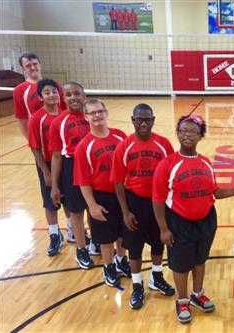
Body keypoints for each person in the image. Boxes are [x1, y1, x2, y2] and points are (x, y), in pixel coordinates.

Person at [152, 114, 234, 324]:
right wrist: (163, 228)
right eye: (183, 130)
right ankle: (182, 300)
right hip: (178, 222)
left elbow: (213, 191)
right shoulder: (168, 165)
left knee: (200, 261)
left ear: (200, 136)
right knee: (181, 265)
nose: (187, 135)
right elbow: (157, 199)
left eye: (193, 131)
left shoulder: (205, 162)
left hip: (206, 221)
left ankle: (197, 294)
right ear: (177, 133)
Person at [111, 104, 175, 309]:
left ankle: (156, 277)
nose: (144, 123)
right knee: (135, 248)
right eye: (139, 119)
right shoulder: (124, 147)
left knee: (158, 243)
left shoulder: (164, 145)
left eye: (148, 119)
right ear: (133, 120)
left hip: (158, 202)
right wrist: (125, 211)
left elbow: (170, 176)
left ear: (153, 120)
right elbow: (118, 181)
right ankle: (138, 285)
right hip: (135, 202)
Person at [74, 98, 130, 287]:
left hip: (122, 194)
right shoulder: (84, 146)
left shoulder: (120, 136)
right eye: (92, 113)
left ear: (106, 113)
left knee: (123, 233)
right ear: (86, 117)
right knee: (106, 239)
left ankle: (122, 261)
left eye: (99, 111)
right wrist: (92, 206)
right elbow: (83, 180)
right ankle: (109, 268)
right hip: (101, 197)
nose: (97, 115)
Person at [49, 82, 94, 269]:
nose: (73, 97)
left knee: (95, 207)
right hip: (72, 166)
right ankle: (81, 250)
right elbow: (57, 155)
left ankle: (97, 242)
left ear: (84, 96)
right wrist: (54, 185)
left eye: (76, 93)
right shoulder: (58, 122)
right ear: (63, 98)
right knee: (76, 211)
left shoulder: (92, 117)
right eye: (68, 94)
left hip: (93, 165)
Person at [28, 79, 71, 256]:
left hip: (65, 162)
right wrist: (45, 171)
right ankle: (54, 234)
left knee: (69, 199)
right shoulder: (36, 119)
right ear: (40, 97)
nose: (51, 95)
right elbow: (34, 147)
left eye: (54, 91)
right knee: (50, 202)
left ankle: (72, 230)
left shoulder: (65, 114)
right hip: (47, 164)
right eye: (47, 92)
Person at [13, 52, 66, 140]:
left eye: (35, 64)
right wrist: (32, 141)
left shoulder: (54, 84)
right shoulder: (19, 90)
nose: (33, 68)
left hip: (60, 132)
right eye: (28, 66)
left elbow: (64, 109)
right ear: (23, 69)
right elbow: (22, 120)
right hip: (41, 136)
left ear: (40, 65)